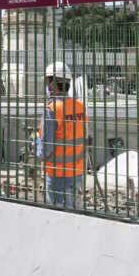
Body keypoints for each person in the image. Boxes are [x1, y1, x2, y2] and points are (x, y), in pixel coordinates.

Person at [37, 61, 87, 209]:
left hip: (57, 174)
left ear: (53, 83)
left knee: (58, 216)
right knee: (74, 212)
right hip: (77, 172)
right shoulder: (79, 106)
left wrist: (36, 146)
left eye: (47, 81)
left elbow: (45, 149)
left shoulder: (52, 110)